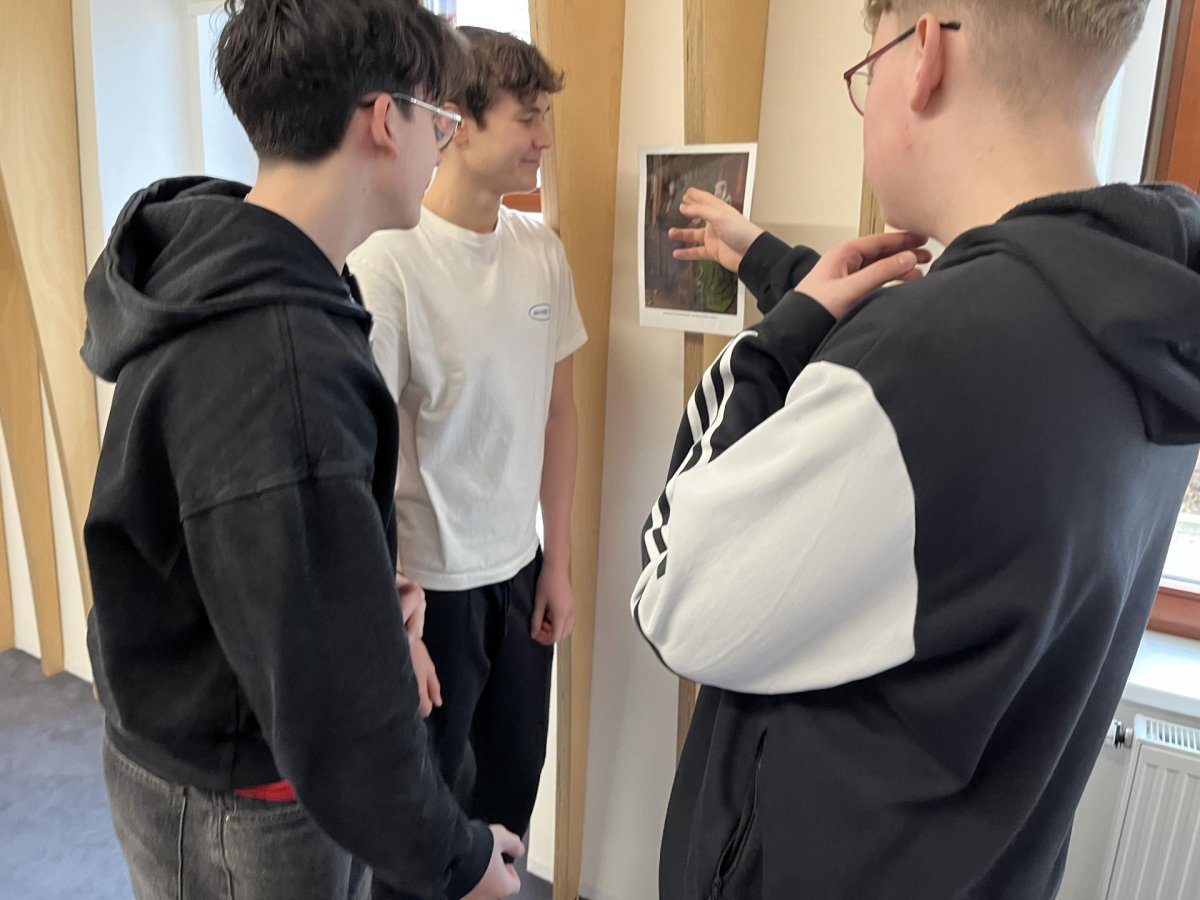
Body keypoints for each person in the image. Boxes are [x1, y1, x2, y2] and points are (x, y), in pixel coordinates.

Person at [631, 2, 1200, 898]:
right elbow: (923, 456)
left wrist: (774, 341)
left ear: (924, 51)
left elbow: (669, 592)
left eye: (868, 69)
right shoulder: (1145, 321)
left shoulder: (928, 361)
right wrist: (774, 266)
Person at [80, 2, 523, 897]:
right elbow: (336, 710)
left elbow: (229, 534)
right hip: (245, 797)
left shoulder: (222, 263)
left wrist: (351, 585)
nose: (442, 145)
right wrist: (461, 859)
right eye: (438, 120)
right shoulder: (280, 350)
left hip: (185, 738)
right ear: (383, 120)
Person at [348, 27, 584, 843]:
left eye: (547, 115)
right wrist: (392, 619)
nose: (545, 137)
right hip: (428, 591)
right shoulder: (387, 262)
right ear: (454, 120)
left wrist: (557, 562)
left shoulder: (541, 251)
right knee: (423, 828)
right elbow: (358, 457)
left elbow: (559, 411)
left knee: (510, 801)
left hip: (520, 577)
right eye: (528, 116)